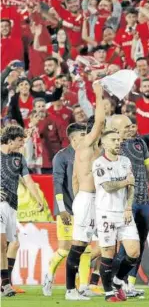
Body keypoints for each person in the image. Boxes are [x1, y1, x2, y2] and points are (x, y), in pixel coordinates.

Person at [43, 123, 102, 297]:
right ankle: (49, 275)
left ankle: (83, 286)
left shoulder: (88, 153)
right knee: (65, 249)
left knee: (86, 248)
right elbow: (57, 184)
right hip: (66, 209)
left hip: (83, 207)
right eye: (83, 134)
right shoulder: (61, 157)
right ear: (74, 138)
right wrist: (62, 209)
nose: (87, 136)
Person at [109, 114, 149, 297]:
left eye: (131, 126)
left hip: (144, 201)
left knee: (139, 244)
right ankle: (115, 283)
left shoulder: (140, 143)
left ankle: (130, 285)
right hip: (125, 203)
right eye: (126, 127)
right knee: (125, 247)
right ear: (116, 130)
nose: (130, 129)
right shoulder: (113, 147)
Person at [65, 83, 105, 301]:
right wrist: (98, 94)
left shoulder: (97, 149)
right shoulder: (87, 144)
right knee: (79, 245)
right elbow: (98, 120)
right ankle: (71, 290)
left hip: (91, 199)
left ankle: (84, 285)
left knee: (97, 243)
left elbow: (74, 181)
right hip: (87, 199)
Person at [92, 130, 140, 302]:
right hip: (106, 213)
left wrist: (128, 207)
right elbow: (108, 186)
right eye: (113, 140)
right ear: (104, 144)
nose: (118, 143)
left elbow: (132, 186)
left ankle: (118, 282)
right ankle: (108, 293)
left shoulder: (126, 161)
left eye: (119, 140)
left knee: (134, 252)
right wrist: (125, 182)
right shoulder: (99, 164)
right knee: (108, 253)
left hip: (124, 212)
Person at [1, 125, 44, 297]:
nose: (22, 144)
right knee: (2, 244)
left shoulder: (19, 158)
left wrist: (38, 199)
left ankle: (5, 282)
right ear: (10, 140)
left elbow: (28, 180)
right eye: (19, 141)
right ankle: (5, 285)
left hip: (12, 205)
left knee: (15, 244)